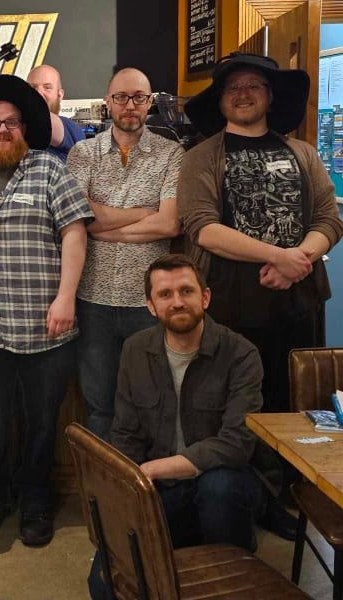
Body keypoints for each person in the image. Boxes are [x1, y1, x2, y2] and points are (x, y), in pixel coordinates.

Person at [0, 74, 92, 546]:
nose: (2, 130)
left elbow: (74, 232)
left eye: (11, 122)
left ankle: (36, 499)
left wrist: (66, 296)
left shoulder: (49, 170)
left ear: (25, 128)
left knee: (41, 422)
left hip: (45, 324)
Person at [87, 254, 264, 599]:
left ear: (205, 297)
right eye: (165, 294)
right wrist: (128, 498)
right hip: (162, 490)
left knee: (220, 488)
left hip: (224, 483)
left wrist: (151, 470)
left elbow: (237, 443)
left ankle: (234, 557)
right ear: (150, 306)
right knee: (107, 582)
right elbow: (125, 434)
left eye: (186, 291)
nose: (177, 301)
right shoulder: (135, 350)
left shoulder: (241, 354)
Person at [179, 52, 343, 414]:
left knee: (299, 408)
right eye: (232, 87)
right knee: (231, 409)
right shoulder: (199, 158)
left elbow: (329, 220)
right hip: (228, 309)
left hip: (299, 305)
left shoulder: (304, 154)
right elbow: (202, 228)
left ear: (270, 95)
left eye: (253, 85)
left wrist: (297, 263)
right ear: (220, 100)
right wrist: (280, 257)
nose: (243, 93)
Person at [66, 68, 182, 441]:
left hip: (148, 301)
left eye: (139, 97)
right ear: (108, 102)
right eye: (121, 97)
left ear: (150, 103)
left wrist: (104, 225)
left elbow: (169, 225)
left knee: (153, 402)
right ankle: (104, 480)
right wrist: (144, 214)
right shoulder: (83, 153)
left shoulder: (171, 153)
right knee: (99, 406)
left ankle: (152, 478)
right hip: (93, 299)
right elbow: (80, 218)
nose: (129, 105)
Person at [0, 62, 85, 160]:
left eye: (47, 87)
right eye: (32, 87)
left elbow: (41, 119)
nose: (38, 92)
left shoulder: (70, 128)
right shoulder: (7, 128)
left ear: (60, 95)